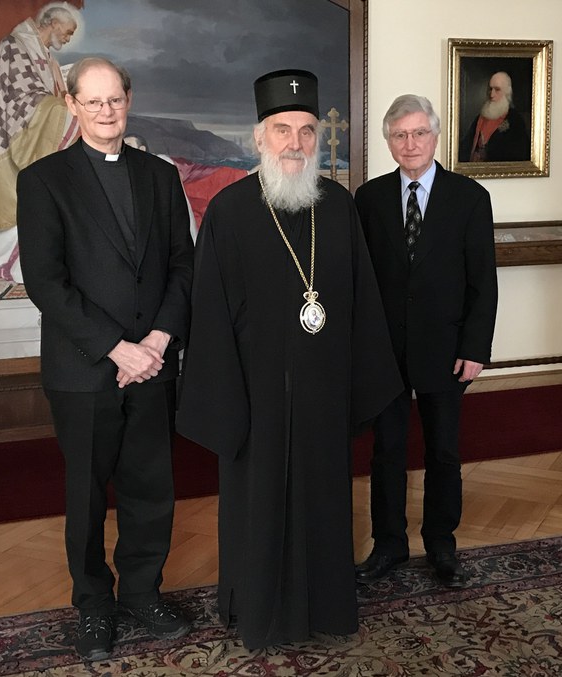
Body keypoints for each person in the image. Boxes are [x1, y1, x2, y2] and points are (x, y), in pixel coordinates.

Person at [177, 69, 402, 650]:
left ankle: (326, 607)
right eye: (283, 130)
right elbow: (209, 315)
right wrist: (227, 405)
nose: (296, 143)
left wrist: (358, 387)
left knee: (325, 503)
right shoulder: (229, 211)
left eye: (306, 131)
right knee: (257, 507)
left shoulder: (338, 207)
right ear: (259, 138)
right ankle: (254, 608)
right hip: (255, 398)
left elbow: (361, 303)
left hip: (324, 394)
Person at [16, 57, 194, 661]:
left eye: (114, 99)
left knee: (151, 487)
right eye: (92, 102)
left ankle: (143, 591)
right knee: (88, 494)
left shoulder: (160, 176)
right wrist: (119, 348)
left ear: (129, 98)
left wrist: (158, 342)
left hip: (153, 362)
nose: (106, 111)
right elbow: (46, 282)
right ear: (71, 104)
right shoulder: (42, 181)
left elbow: (181, 266)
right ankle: (94, 604)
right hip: (84, 368)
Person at [354, 94, 498, 589]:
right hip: (385, 353)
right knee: (386, 452)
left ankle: (441, 543)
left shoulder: (469, 197)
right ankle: (389, 544)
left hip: (447, 349)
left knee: (443, 453)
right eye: (399, 135)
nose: (410, 143)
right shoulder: (368, 199)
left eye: (419, 133)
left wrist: (476, 348)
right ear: (388, 142)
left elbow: (483, 281)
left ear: (436, 137)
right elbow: (361, 281)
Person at [0, 2, 81, 283]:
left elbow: (47, 91)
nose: (68, 38)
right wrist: (60, 109)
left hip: (30, 131)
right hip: (8, 134)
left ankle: (14, 264)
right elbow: (21, 95)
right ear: (52, 23)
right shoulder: (15, 45)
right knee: (4, 195)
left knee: (28, 198)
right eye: (67, 32)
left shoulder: (43, 53)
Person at [458, 71, 530, 162]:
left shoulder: (515, 120)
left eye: (497, 89)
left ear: (507, 92)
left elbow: (518, 154)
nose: (491, 95)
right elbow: (465, 146)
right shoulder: (481, 117)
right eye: (490, 89)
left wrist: (487, 156)